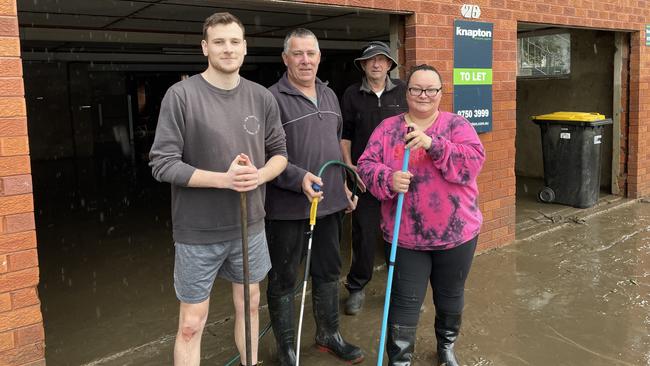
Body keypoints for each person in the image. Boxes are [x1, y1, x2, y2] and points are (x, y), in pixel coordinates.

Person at [149, 12, 288, 366]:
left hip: (250, 226)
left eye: (234, 41)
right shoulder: (181, 96)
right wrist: (224, 180)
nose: (228, 49)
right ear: (205, 48)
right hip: (198, 231)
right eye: (219, 42)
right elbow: (162, 164)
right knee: (192, 324)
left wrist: (259, 176)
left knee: (251, 305)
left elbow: (280, 156)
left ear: (245, 47)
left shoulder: (261, 97)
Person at [357, 64, 485, 366]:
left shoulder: (457, 126)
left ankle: (446, 347)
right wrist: (388, 179)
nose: (423, 95)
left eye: (431, 89)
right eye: (416, 89)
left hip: (456, 235)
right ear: (407, 91)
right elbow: (365, 166)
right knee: (404, 302)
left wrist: (433, 145)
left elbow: (472, 165)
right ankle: (400, 358)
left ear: (441, 93)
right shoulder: (388, 129)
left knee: (450, 296)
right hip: (405, 237)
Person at [265, 28, 364, 366]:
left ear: (319, 57)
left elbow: (335, 147)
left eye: (311, 53)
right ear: (285, 59)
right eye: (297, 53)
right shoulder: (271, 99)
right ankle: (287, 350)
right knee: (283, 277)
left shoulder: (330, 95)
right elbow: (266, 156)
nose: (305, 60)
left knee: (328, 270)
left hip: (330, 204)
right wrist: (297, 178)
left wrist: (345, 187)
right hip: (288, 208)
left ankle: (328, 334)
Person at [340, 41, 408, 316]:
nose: (376, 64)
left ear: (390, 64)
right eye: (371, 60)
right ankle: (357, 287)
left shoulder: (404, 91)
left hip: (396, 178)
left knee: (401, 234)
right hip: (365, 177)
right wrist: (350, 167)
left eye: (382, 60)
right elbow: (345, 135)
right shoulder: (352, 95)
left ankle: (401, 288)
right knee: (364, 234)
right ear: (363, 65)